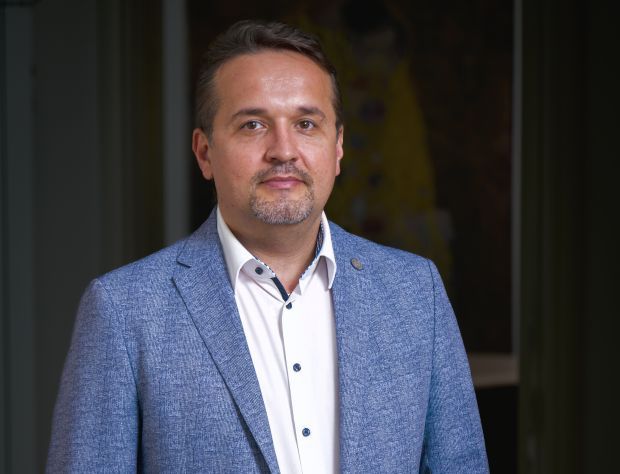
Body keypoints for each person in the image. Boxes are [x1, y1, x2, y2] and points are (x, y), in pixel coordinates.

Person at [47, 20, 488, 473]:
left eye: (306, 124)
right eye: (253, 124)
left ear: (337, 147)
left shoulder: (415, 292)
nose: (283, 150)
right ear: (204, 152)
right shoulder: (125, 310)